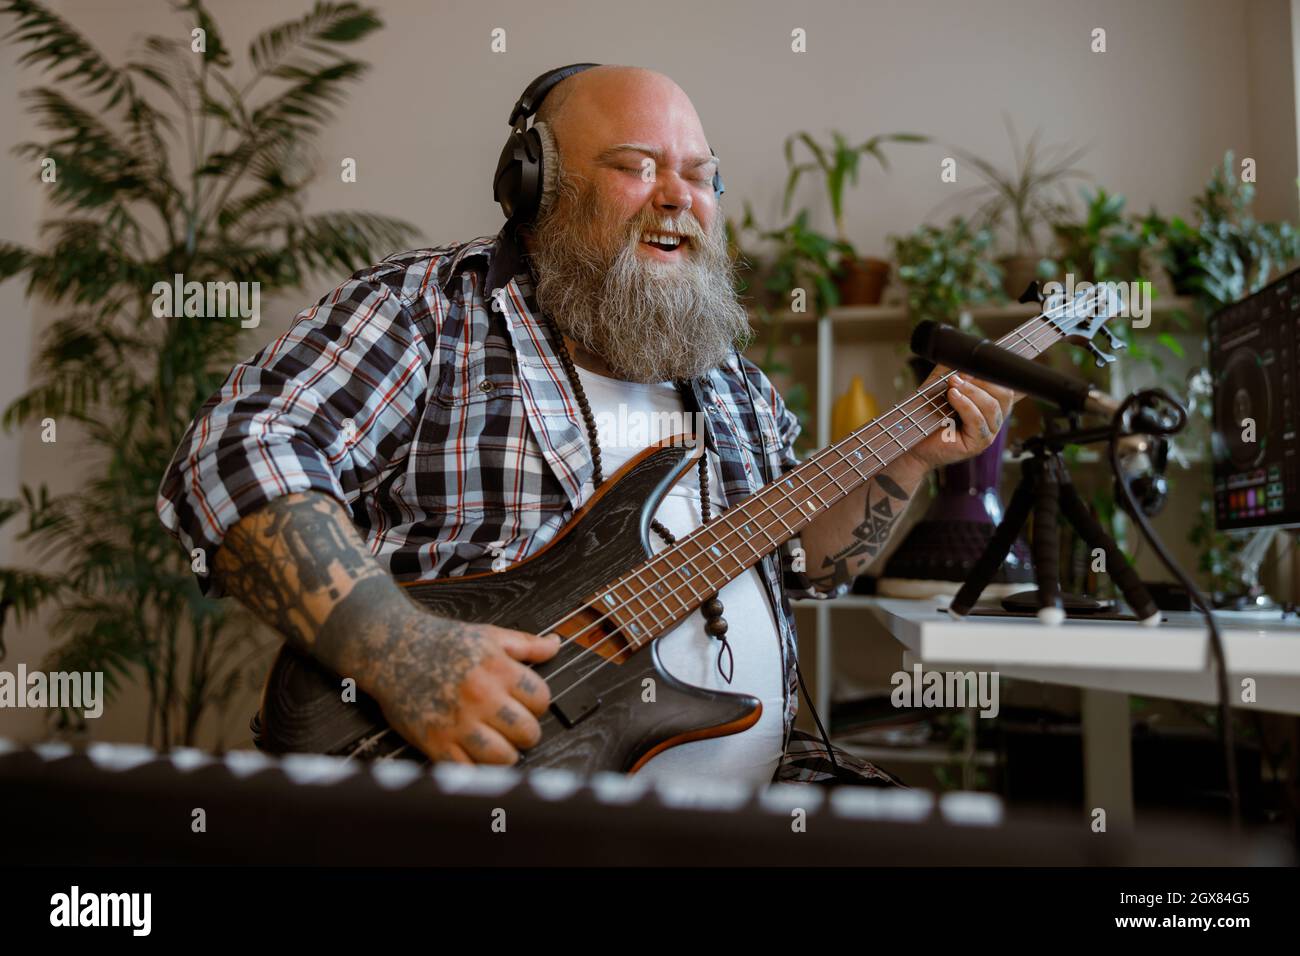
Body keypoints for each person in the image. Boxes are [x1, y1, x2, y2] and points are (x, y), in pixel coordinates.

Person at [156, 65, 1013, 786]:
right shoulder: (432, 313)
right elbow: (235, 454)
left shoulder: (734, 385)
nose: (679, 196)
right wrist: (401, 652)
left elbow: (803, 562)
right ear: (536, 187)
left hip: (755, 806)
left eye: (700, 173)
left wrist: (911, 459)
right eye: (637, 166)